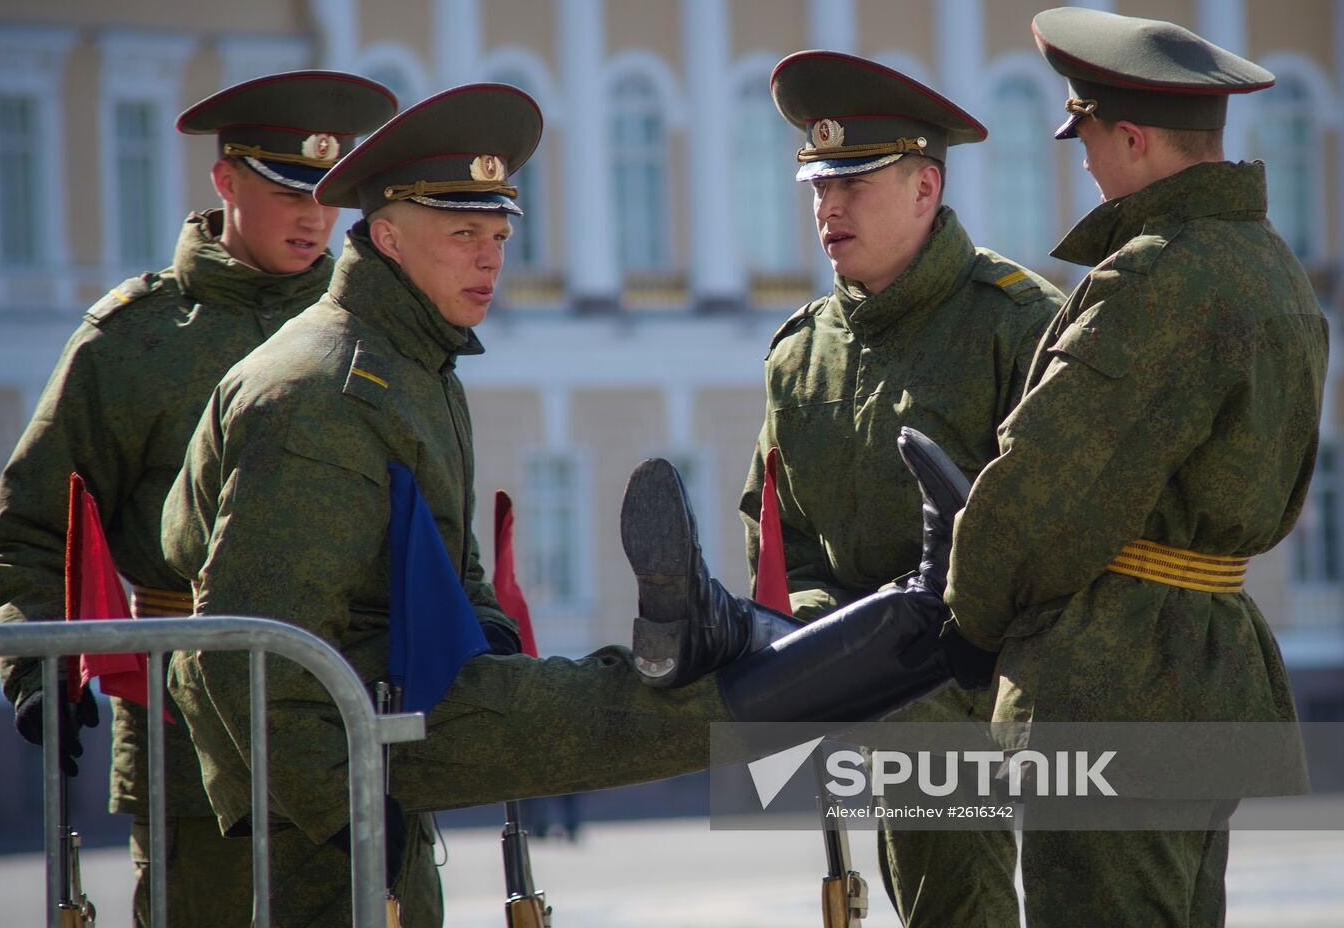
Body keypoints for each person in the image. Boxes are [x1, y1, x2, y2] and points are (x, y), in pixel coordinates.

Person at [160, 83, 960, 927]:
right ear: (387, 236)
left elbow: (446, 569)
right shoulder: (327, 388)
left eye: (499, 236)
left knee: (632, 699)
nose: (489, 260)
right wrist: (347, 814)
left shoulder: (405, 365)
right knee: (632, 711)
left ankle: (758, 629)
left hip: (386, 722)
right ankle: (891, 621)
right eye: (463, 234)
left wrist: (493, 660)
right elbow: (253, 648)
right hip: (329, 778)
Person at [893, 7, 1326, 927]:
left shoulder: (1161, 277)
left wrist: (971, 622)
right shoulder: (1271, 268)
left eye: (1084, 135)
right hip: (1205, 659)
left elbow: (1046, 483)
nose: (1082, 162)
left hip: (1116, 678)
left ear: (1131, 137)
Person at [624, 50, 1063, 927]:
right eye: (818, 186)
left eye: (854, 184)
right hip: (871, 687)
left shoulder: (1016, 324)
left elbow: (1056, 528)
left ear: (924, 188)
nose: (827, 207)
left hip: (992, 695)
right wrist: (829, 642)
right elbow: (781, 536)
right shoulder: (800, 352)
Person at [0, 70, 397, 927]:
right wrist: (35, 668)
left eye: (327, 194)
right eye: (290, 192)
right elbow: (28, 529)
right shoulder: (133, 340)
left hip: (347, 704)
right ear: (226, 180)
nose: (315, 218)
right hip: (188, 736)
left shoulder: (375, 330)